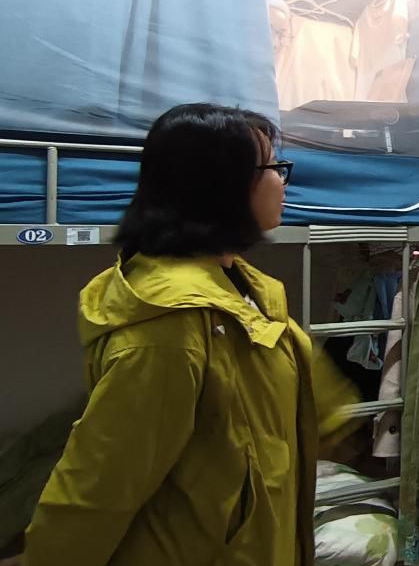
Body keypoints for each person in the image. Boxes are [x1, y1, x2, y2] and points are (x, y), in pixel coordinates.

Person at [23, 103, 357, 566]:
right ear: (222, 185)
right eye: (273, 168)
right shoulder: (170, 326)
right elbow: (99, 484)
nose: (283, 182)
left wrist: (336, 424)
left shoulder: (245, 287)